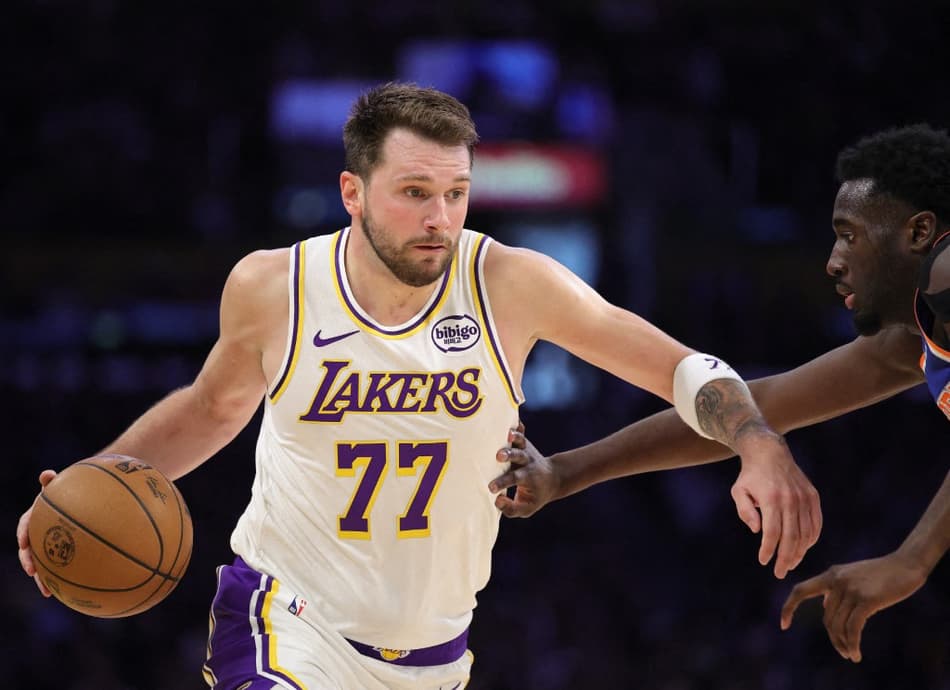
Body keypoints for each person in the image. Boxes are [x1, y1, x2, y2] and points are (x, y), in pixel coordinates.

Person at [16, 82, 818, 690]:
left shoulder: (510, 284)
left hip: (435, 656)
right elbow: (210, 408)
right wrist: (91, 482)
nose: (441, 217)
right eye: (414, 193)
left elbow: (679, 368)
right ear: (352, 193)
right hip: (284, 624)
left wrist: (755, 439)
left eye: (455, 193)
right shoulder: (274, 287)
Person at [491, 123, 950, 665]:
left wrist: (913, 558)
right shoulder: (908, 340)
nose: (832, 260)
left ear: (920, 232)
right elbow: (754, 407)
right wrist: (565, 472)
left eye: (850, 235)